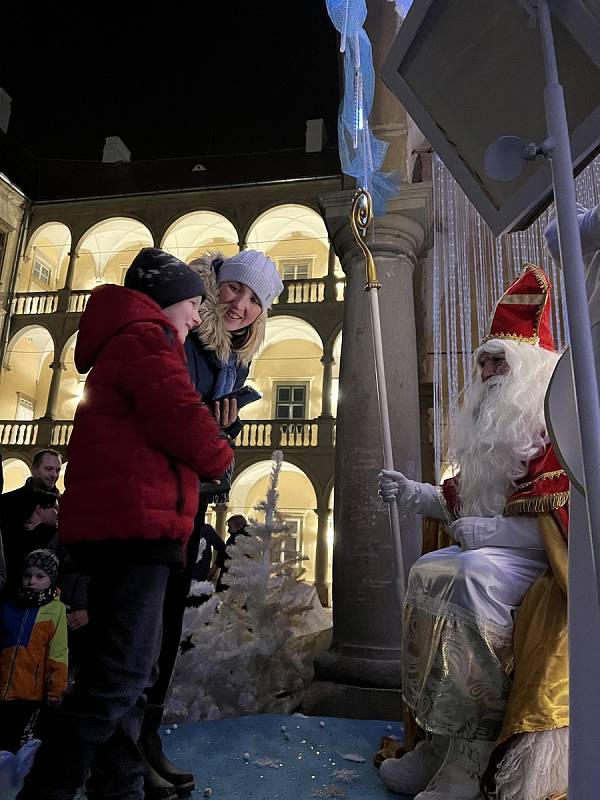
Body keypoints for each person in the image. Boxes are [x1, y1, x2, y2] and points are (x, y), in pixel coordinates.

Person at [17, 246, 233, 800]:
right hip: (136, 530)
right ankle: (48, 789)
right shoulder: (146, 339)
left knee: (125, 681)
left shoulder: (130, 339)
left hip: (122, 529)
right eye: (191, 304)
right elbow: (182, 420)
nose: (195, 316)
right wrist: (219, 452)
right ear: (167, 301)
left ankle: (123, 788)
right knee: (120, 678)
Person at [377, 264, 567, 800]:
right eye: (483, 360)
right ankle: (439, 737)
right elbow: (461, 502)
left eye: (497, 360)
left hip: (537, 566)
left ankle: (473, 750)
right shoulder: (490, 438)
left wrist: (492, 536)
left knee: (468, 576)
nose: (486, 369)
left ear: (530, 371)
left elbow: (560, 529)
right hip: (489, 556)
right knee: (430, 569)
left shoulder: (553, 435)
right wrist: (415, 494)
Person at [139, 249, 283, 800]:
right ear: (215, 284)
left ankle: (145, 741)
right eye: (234, 289)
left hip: (187, 501)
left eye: (254, 300)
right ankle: (128, 750)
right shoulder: (189, 336)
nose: (240, 305)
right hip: (159, 497)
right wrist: (211, 431)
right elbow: (171, 416)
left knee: (168, 625)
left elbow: (203, 432)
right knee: (145, 629)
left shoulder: (231, 362)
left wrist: (221, 433)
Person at [0, 549, 68, 754]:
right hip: (2, 687)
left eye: (40, 576)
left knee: (14, 744)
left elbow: (58, 654)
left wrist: (56, 690)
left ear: (51, 579)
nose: (32, 581)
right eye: (27, 576)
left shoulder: (55, 611)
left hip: (28, 694)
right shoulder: (9, 606)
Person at [215, 514, 250, 592]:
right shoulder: (249, 538)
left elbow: (226, 555)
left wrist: (217, 565)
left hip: (231, 577)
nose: (228, 530)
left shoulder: (236, 539)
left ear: (239, 527)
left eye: (230, 527)